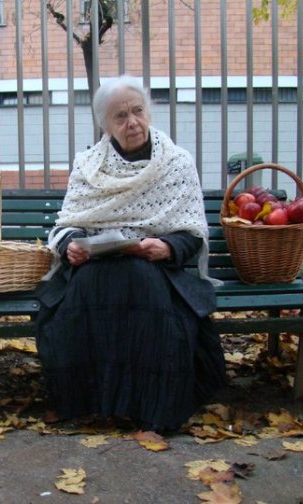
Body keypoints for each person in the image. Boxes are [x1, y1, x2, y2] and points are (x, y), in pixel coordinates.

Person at [35, 75, 227, 433]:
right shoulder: (88, 166)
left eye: (138, 111)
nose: (133, 122)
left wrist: (167, 247)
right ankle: (94, 401)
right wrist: (72, 246)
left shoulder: (178, 163)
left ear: (148, 112)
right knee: (89, 289)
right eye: (120, 116)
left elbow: (192, 232)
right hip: (95, 267)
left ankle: (150, 405)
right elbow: (67, 224)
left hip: (157, 270)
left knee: (143, 284)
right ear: (105, 125)